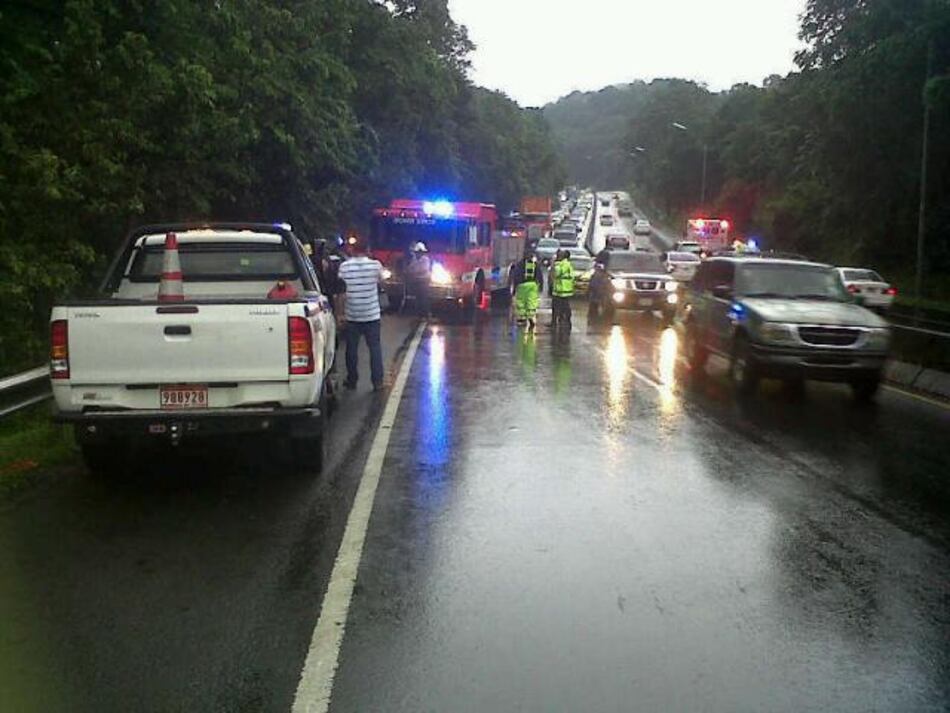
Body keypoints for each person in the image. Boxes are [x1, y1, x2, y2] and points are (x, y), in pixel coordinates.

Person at [336, 237, 384, 391]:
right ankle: (377, 382)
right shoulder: (375, 266)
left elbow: (341, 292)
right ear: (368, 250)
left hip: (352, 314)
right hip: (371, 314)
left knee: (351, 349)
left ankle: (352, 380)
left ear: (352, 250)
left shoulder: (344, 267)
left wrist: (340, 314)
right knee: (375, 349)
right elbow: (382, 282)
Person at [511, 251, 543, 330]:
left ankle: (522, 318)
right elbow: (539, 275)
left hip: (522, 285)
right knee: (531, 301)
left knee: (521, 301)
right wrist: (540, 286)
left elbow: (516, 276)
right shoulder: (535, 264)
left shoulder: (519, 265)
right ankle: (531, 317)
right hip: (532, 285)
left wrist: (514, 289)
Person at [551, 250, 576, 329]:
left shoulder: (562, 265)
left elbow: (557, 273)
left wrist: (555, 264)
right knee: (565, 306)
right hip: (565, 290)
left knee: (557, 306)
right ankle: (564, 319)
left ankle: (556, 321)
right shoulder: (568, 264)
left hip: (560, 290)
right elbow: (572, 276)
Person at [405, 241, 432, 314]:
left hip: (424, 281)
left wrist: (413, 272)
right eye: (417, 251)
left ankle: (426, 313)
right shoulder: (414, 259)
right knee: (418, 298)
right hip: (416, 281)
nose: (418, 253)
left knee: (424, 298)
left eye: (420, 252)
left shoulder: (425, 259)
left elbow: (423, 270)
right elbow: (410, 268)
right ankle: (419, 313)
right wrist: (408, 271)